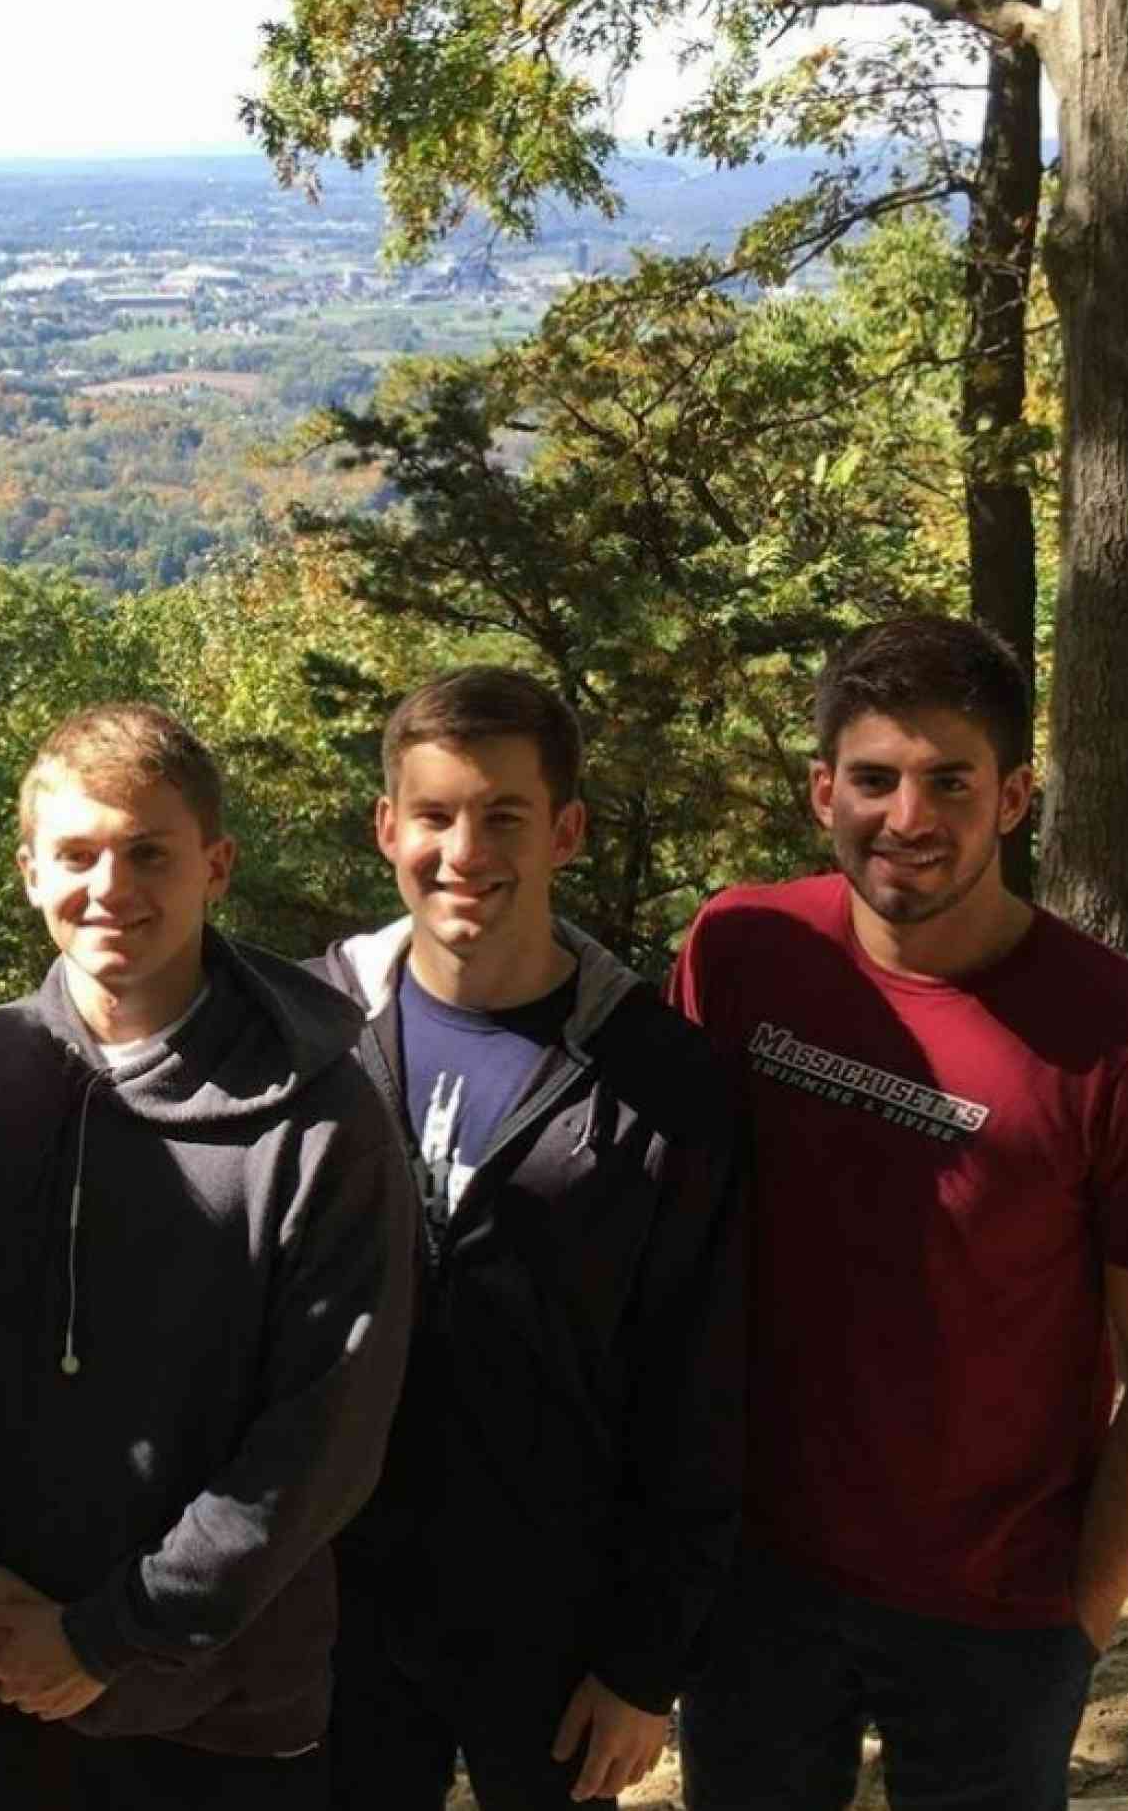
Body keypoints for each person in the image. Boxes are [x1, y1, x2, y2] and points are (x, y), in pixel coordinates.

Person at [670, 615, 1128, 1811]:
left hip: (995, 1608)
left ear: (1014, 796)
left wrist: (1074, 1621)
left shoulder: (1125, 1040)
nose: (907, 817)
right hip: (752, 1577)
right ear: (823, 787)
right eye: (872, 778)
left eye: (948, 781)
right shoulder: (741, 951)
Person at [0, 702, 417, 1811]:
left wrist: (112, 1634)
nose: (111, 887)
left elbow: (324, 1435)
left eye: (149, 852)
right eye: (77, 854)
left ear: (216, 864)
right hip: (5, 1668)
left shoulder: (321, 1113)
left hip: (229, 1706)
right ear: (26, 871)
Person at [312, 665, 746, 1810]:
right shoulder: (310, 1038)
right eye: (435, 814)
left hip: (556, 1614)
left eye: (503, 815)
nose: (464, 850)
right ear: (385, 827)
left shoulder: (661, 1075)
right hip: (335, 1610)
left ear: (565, 830)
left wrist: (643, 1661)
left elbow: (698, 1387)